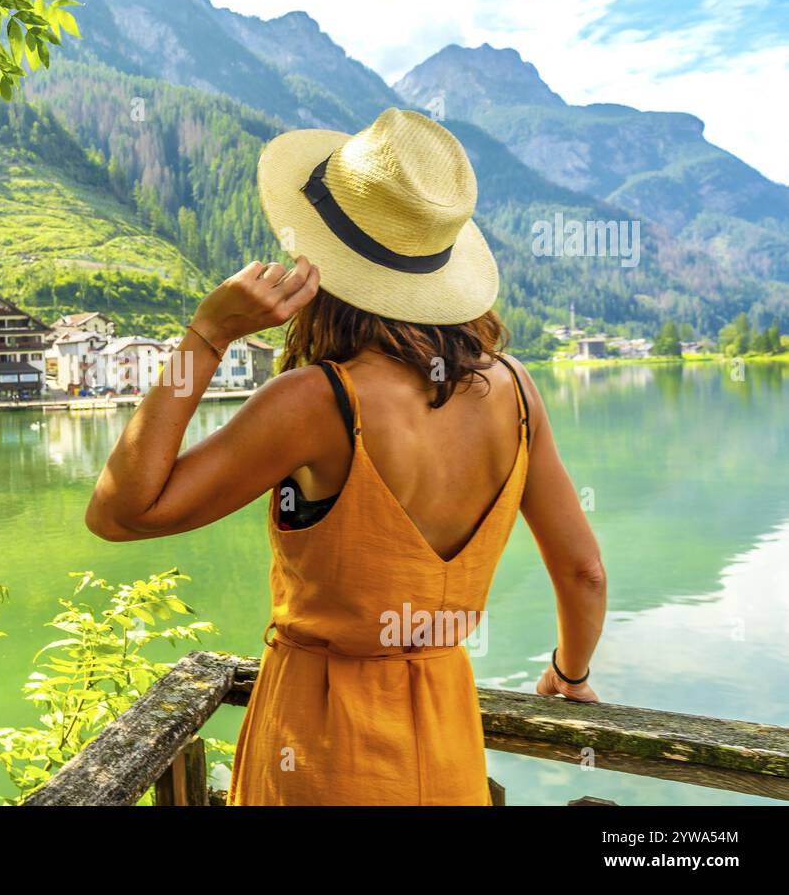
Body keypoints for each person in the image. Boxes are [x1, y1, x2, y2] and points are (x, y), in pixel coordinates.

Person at [85, 108, 607, 805]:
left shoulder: (317, 401)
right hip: (448, 743)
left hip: (318, 746)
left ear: (320, 263)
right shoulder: (516, 391)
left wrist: (207, 336)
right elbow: (584, 572)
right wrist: (569, 676)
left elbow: (122, 511)